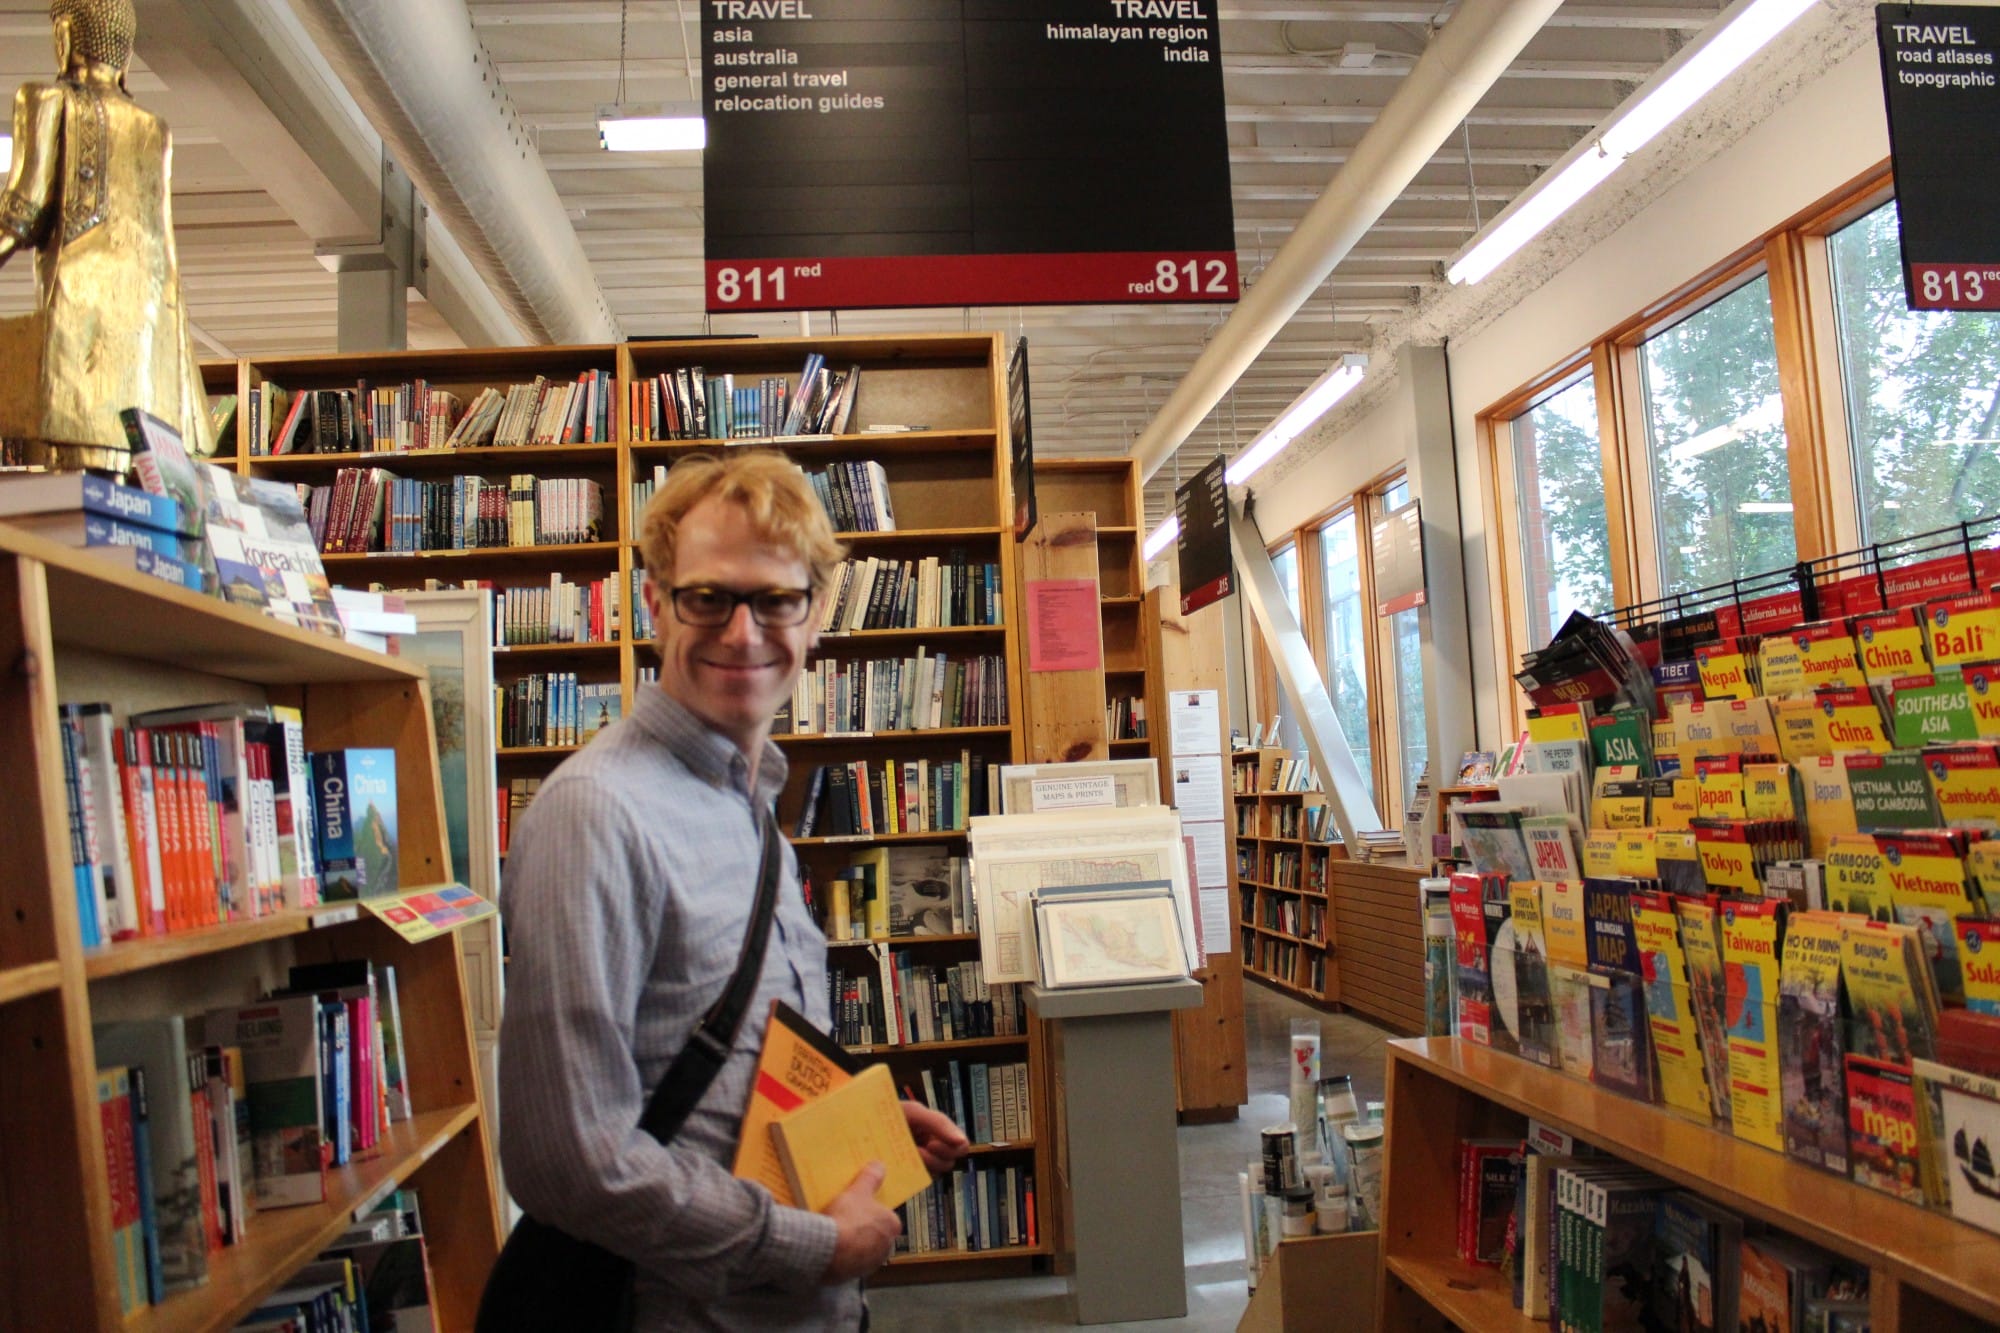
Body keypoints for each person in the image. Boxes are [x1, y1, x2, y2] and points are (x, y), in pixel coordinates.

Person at [498, 451, 970, 1330]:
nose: (743, 633)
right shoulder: (596, 815)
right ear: (653, 602)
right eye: (707, 597)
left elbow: (717, 1056)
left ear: (817, 613)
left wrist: (849, 1128)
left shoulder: (748, 802)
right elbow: (565, 1156)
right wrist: (812, 1244)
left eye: (775, 599)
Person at [0, 0, 215, 460]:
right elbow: (166, 248)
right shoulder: (153, 128)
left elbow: (24, 210)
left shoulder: (47, 100)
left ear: (66, 38)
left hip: (78, 318)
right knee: (126, 473)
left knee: (74, 477)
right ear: (125, 56)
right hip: (147, 320)